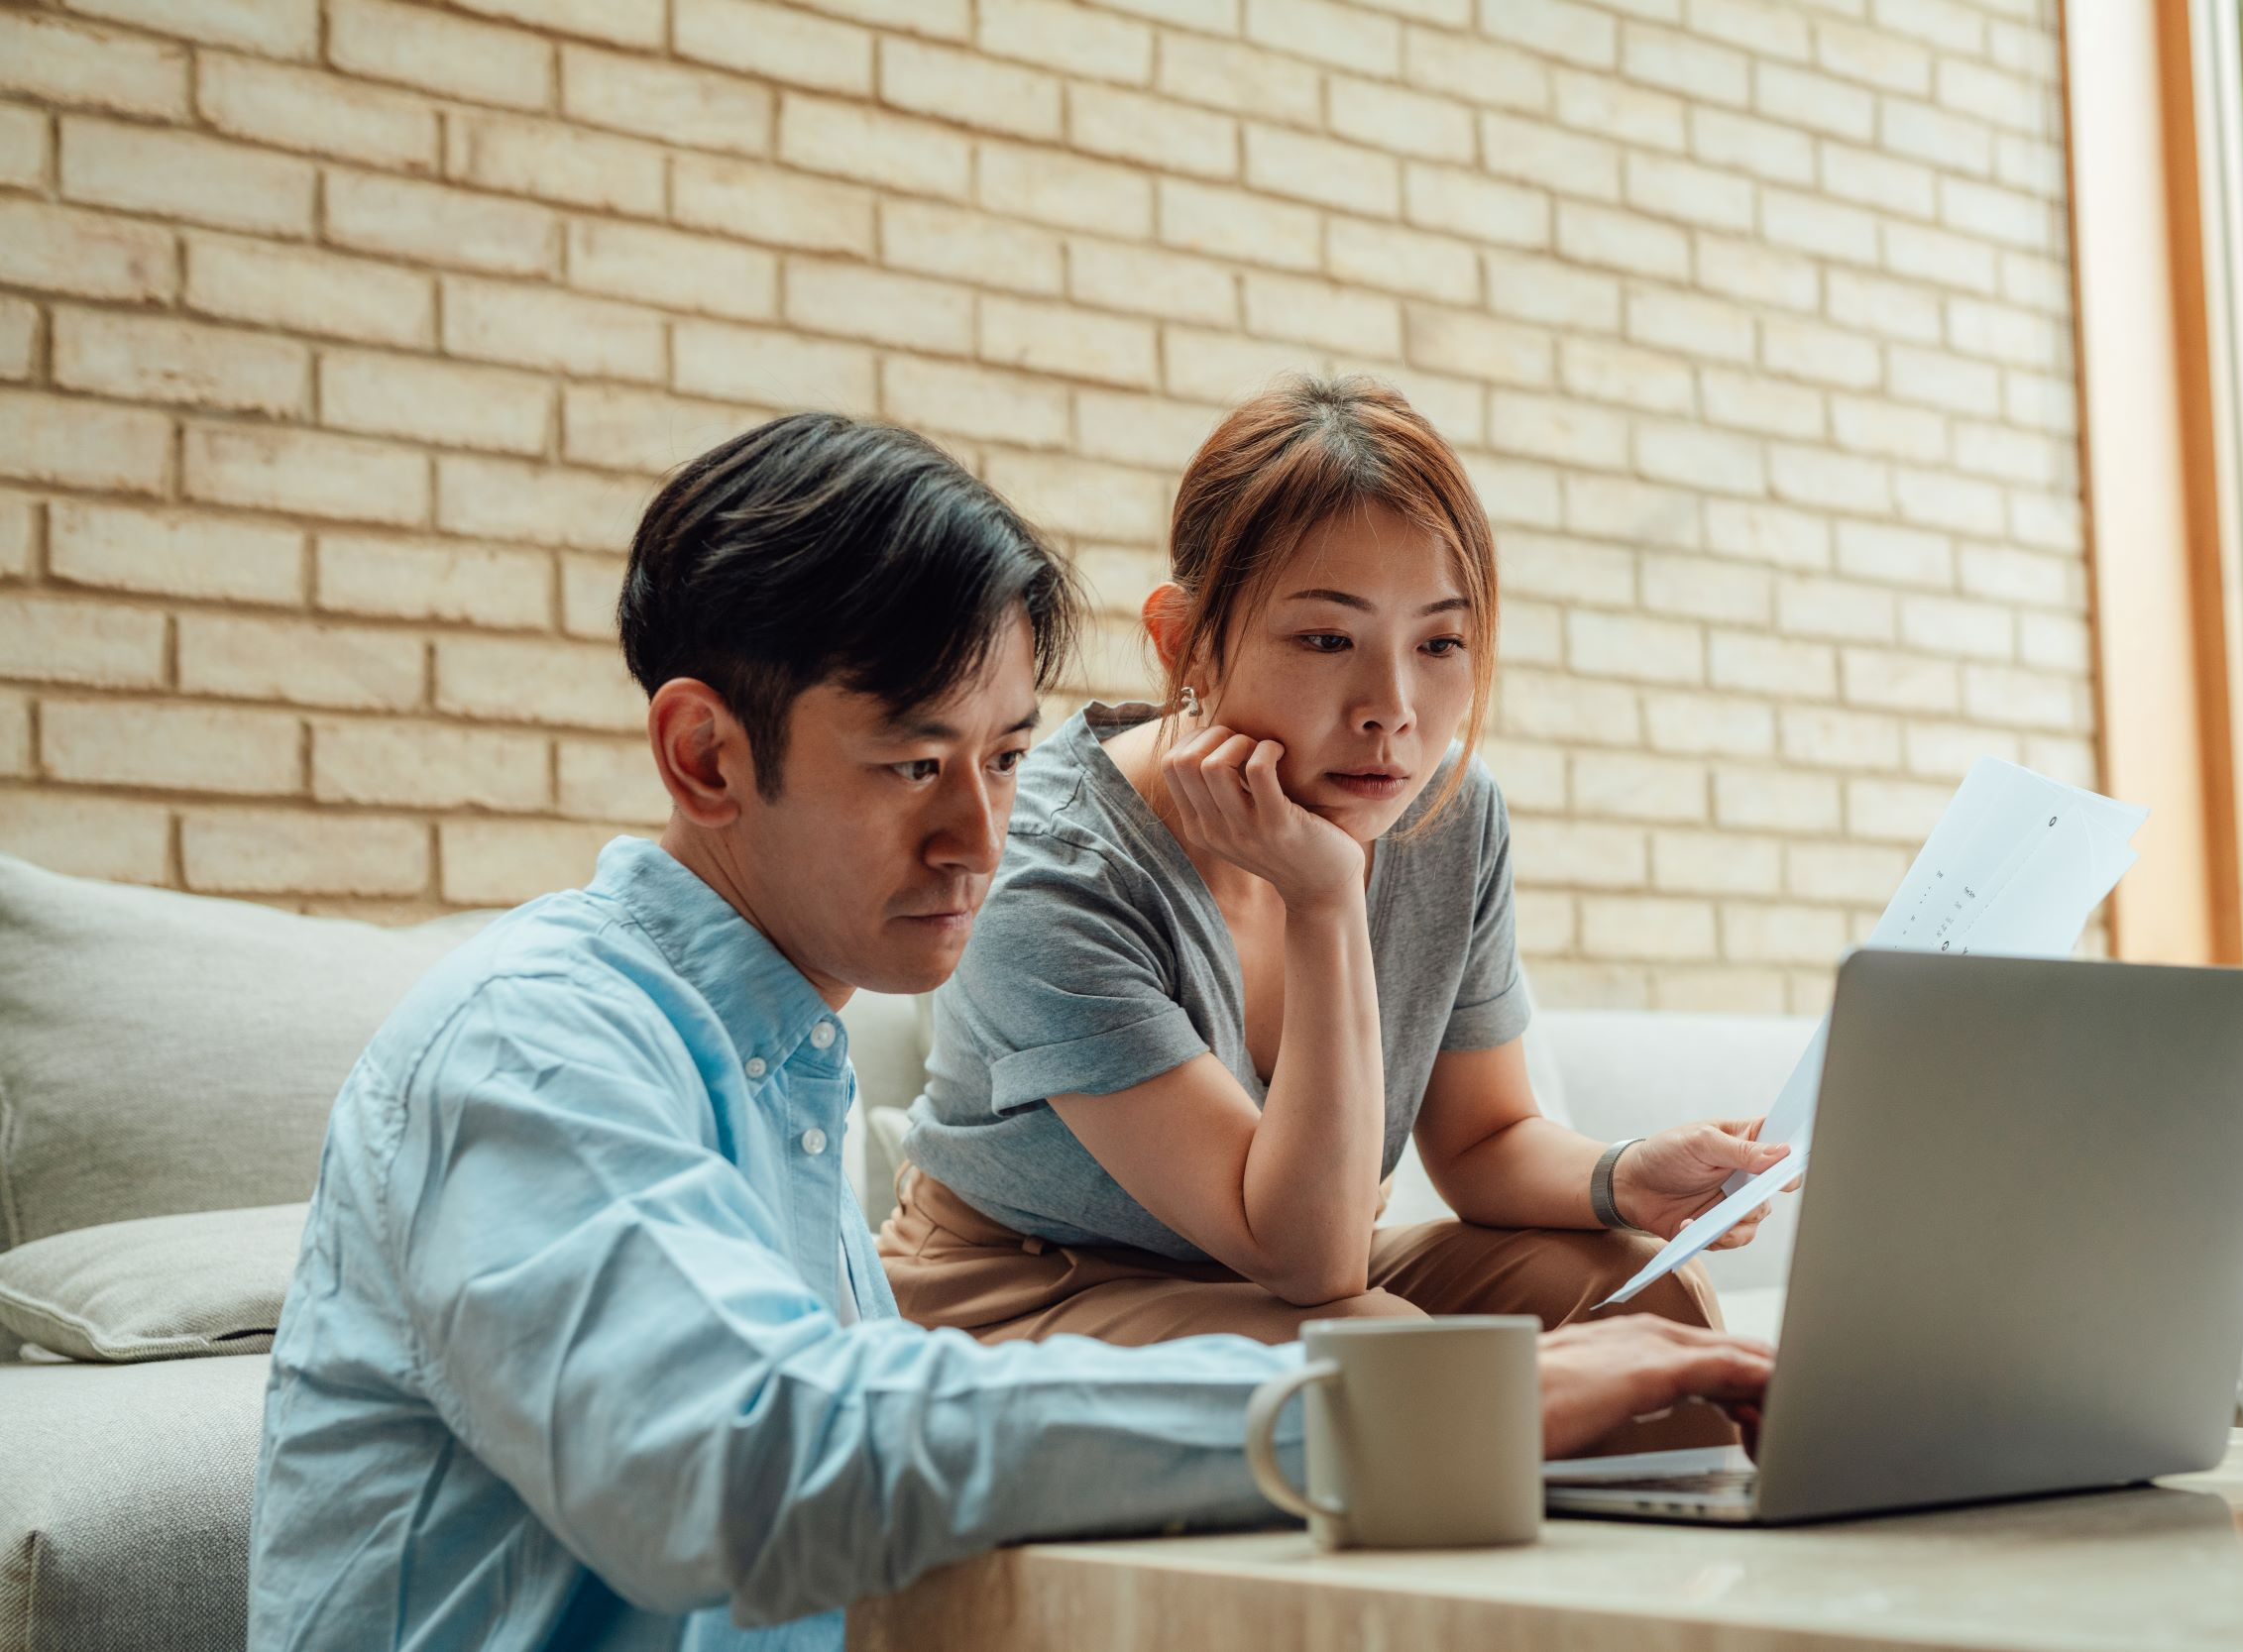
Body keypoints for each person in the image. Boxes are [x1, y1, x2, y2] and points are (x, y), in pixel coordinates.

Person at [247, 411, 1776, 1651]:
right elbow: (743, 1461)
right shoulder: (537, 1043)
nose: (982, 834)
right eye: (916, 762)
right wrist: (1406, 1404)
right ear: (706, 753)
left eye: (1005, 752)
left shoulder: (783, 1053)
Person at [886, 378, 1792, 1453]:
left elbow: (1484, 1137)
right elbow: (1307, 1256)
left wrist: (1620, 1174)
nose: (1392, 711)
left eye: (1440, 644)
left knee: (1647, 1304)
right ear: (1181, 643)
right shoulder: (1049, 868)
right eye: (1325, 640)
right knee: (1387, 1351)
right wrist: (1325, 898)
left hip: (1299, 1277)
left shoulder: (1445, 812)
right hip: (1029, 1291)